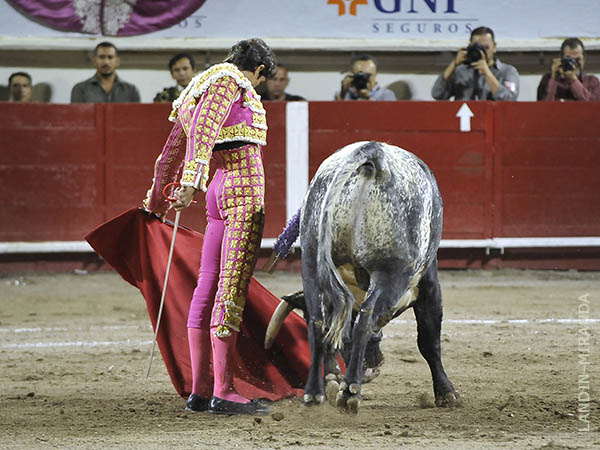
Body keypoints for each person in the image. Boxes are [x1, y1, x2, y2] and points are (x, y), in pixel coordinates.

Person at [143, 38, 277, 416]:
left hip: (219, 189)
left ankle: (201, 390)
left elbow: (170, 149)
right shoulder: (231, 81)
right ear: (260, 71)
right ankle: (224, 390)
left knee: (208, 284)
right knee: (229, 287)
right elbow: (204, 129)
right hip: (241, 188)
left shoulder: (194, 89)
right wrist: (189, 184)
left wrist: (157, 199)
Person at [431, 26, 519, 101]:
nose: (483, 52)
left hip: (494, 119)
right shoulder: (460, 71)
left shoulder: (507, 71)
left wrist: (487, 73)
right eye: (478, 47)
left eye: (486, 47)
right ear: (470, 46)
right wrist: (454, 64)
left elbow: (510, 100)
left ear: (494, 47)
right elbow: (437, 94)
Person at [71, 42, 140, 103]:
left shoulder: (131, 91)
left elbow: (137, 116)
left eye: (110, 57)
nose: (106, 62)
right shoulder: (80, 89)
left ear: (117, 62)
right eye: (101, 57)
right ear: (94, 61)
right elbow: (76, 117)